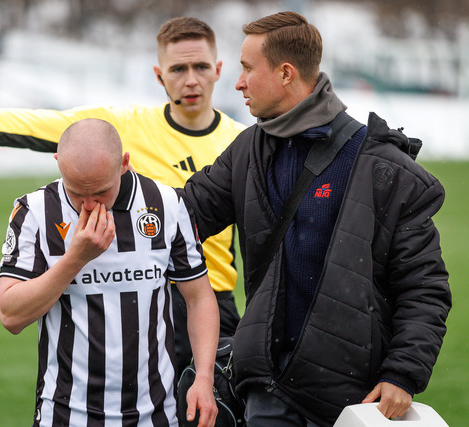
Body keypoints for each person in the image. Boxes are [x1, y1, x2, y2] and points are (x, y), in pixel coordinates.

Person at [0, 16, 246, 376]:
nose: (191, 80)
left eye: (200, 67)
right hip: (132, 296)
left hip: (210, 301)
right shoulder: (120, 127)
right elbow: (22, 124)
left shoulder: (241, 143)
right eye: (178, 69)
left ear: (218, 70)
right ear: (159, 75)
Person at [182, 11, 451, 427]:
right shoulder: (247, 151)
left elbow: (424, 287)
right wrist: (119, 189)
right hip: (268, 393)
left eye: (248, 68)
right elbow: (185, 214)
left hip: (355, 400)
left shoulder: (381, 167)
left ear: (286, 73)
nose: (238, 83)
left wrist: (402, 373)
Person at [0, 118, 219, 426]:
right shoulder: (34, 211)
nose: (89, 205)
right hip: (64, 415)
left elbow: (199, 298)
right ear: (58, 162)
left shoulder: (167, 204)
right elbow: (11, 316)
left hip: (156, 415)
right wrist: (76, 259)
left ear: (124, 163)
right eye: (76, 192)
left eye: (102, 192)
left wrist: (204, 377)